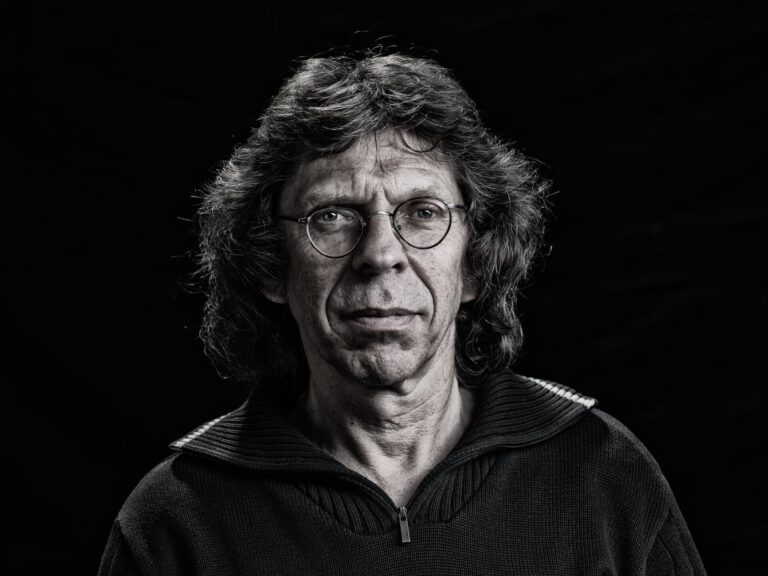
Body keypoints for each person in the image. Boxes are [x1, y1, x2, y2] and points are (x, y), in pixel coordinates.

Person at [98, 52, 707, 575]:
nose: (380, 255)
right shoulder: (177, 519)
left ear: (474, 263)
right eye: (333, 216)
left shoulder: (603, 473)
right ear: (271, 266)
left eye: (422, 212)